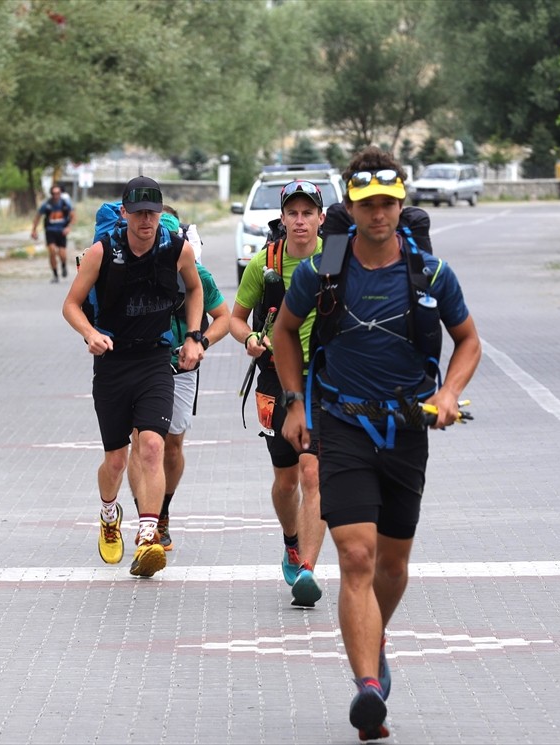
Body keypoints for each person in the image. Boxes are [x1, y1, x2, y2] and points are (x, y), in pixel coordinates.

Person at [272, 147, 481, 740]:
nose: (379, 213)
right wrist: (295, 403)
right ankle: (368, 690)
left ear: (401, 202)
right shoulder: (323, 271)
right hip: (340, 424)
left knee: (392, 564)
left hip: (408, 428)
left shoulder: (431, 275)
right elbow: (285, 331)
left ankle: (374, 637)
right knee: (357, 556)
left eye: (388, 202)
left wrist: (449, 393)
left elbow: (468, 341)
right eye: (368, 204)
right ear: (352, 206)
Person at [62, 176, 204, 578]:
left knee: (154, 445)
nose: (146, 221)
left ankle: (147, 536)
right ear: (124, 213)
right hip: (112, 362)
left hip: (156, 359)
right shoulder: (102, 252)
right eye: (139, 213)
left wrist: (194, 336)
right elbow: (71, 304)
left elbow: (195, 290)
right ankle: (109, 514)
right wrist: (90, 333)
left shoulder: (176, 248)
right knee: (116, 460)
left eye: (152, 213)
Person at [229, 180, 328, 608]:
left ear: (321, 218)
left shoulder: (336, 258)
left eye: (308, 213)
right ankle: (291, 542)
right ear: (283, 219)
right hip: (274, 377)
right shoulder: (264, 263)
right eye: (293, 213)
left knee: (312, 473)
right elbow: (235, 319)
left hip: (322, 378)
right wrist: (250, 338)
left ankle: (307, 568)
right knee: (286, 481)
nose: (300, 221)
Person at [127, 207, 229, 552]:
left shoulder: (196, 272)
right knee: (143, 443)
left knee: (171, 445)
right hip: (139, 364)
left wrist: (199, 342)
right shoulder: (128, 265)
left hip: (180, 367)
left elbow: (224, 317)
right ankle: (147, 521)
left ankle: (163, 511)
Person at [31, 184, 75, 282]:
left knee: (62, 254)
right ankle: (55, 275)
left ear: (60, 193)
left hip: (62, 231)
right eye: (54, 193)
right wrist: (34, 230)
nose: (56, 195)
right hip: (50, 231)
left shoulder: (65, 204)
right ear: (51, 194)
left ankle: (63, 265)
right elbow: (37, 217)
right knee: (52, 251)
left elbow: (73, 216)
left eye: (58, 193)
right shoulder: (46, 205)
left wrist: (68, 227)